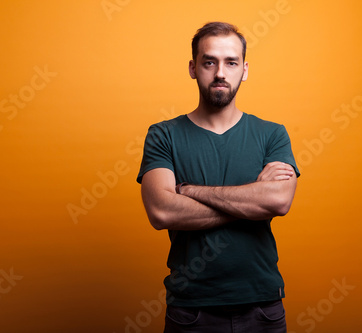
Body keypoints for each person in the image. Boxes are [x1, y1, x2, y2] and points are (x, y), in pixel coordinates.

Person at [136, 22, 300, 333]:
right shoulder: (163, 135)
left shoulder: (272, 135)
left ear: (245, 69)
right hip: (191, 311)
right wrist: (252, 201)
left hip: (263, 308)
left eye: (231, 62)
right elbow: (162, 211)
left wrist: (188, 191)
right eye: (209, 62)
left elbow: (278, 201)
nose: (220, 72)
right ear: (193, 68)